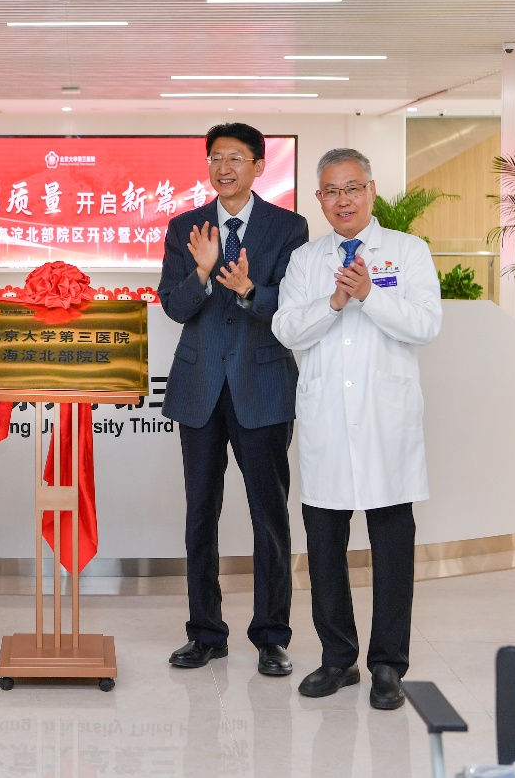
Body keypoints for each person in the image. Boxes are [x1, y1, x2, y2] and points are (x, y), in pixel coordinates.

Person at [271, 148, 442, 710]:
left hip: (387, 422)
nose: (342, 200)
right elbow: (287, 329)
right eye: (330, 191)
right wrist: (334, 301)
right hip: (326, 421)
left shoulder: (408, 252)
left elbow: (425, 325)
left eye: (352, 188)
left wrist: (370, 295)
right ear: (319, 199)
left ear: (371, 190)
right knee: (325, 546)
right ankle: (337, 658)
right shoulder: (305, 260)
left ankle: (388, 664)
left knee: (392, 547)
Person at [158, 122, 309, 673]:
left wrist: (248, 290)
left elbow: (293, 307)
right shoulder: (184, 228)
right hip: (199, 388)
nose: (224, 167)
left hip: (262, 386)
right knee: (201, 514)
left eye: (236, 158)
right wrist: (201, 272)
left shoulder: (288, 228)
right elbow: (174, 306)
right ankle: (205, 633)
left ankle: (271, 635)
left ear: (258, 166)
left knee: (268, 514)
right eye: (216, 157)